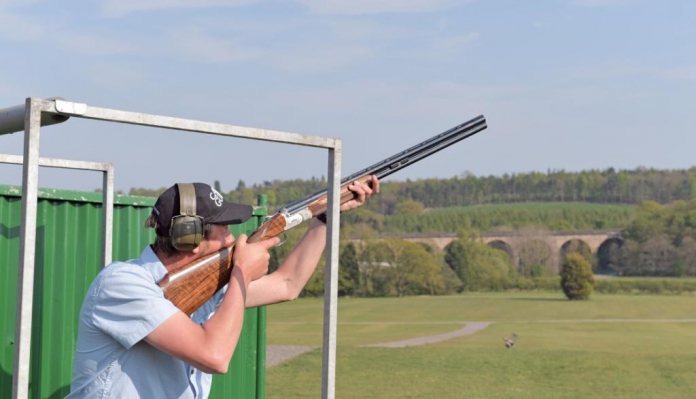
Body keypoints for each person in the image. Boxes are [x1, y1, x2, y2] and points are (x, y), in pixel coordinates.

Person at [67, 177, 378, 398]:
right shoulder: (122, 284)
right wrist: (241, 273)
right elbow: (214, 355)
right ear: (188, 236)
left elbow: (288, 284)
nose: (232, 238)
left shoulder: (203, 288)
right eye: (223, 229)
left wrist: (323, 218)